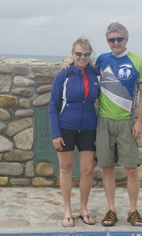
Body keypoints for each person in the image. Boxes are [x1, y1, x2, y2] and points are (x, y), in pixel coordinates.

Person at [95, 22, 142, 227]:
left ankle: (133, 210)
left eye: (119, 39)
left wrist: (140, 121)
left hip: (127, 122)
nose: (115, 43)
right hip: (104, 122)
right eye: (111, 39)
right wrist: (68, 65)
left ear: (126, 39)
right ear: (107, 41)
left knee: (131, 169)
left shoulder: (139, 61)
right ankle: (111, 210)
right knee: (107, 168)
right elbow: (83, 70)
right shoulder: (101, 59)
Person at [49, 36, 100, 227]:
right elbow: (53, 105)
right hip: (66, 127)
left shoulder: (96, 74)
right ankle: (68, 211)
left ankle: (84, 209)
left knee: (87, 170)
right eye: (79, 53)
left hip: (88, 127)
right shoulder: (64, 75)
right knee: (66, 169)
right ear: (72, 54)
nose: (82, 57)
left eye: (86, 54)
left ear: (89, 55)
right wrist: (55, 133)